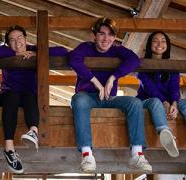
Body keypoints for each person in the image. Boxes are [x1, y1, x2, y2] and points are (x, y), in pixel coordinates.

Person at [68, 18, 152, 173]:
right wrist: (95, 82)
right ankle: (87, 155)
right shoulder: (85, 47)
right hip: (88, 97)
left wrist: (113, 77)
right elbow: (73, 59)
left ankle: (137, 154)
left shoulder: (117, 49)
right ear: (94, 35)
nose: (106, 38)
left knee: (135, 103)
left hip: (110, 98)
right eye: (101, 34)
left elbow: (134, 60)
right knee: (78, 100)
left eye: (110, 35)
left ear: (114, 38)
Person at [0, 25, 68, 173]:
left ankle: (33, 131)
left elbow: (62, 51)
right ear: (8, 43)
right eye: (12, 40)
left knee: (30, 95)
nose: (17, 43)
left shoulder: (34, 49)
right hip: (7, 97)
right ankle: (9, 149)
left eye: (20, 38)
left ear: (26, 38)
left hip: (27, 98)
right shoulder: (7, 52)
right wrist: (14, 55)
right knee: (13, 95)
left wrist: (38, 54)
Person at [137, 31, 186, 157]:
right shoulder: (142, 65)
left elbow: (175, 88)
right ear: (149, 44)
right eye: (155, 40)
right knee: (156, 101)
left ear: (167, 45)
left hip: (169, 102)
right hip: (148, 101)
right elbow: (150, 90)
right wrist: (165, 103)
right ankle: (166, 134)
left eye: (163, 41)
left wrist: (174, 103)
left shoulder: (172, 65)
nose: (160, 44)